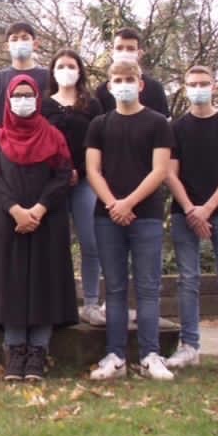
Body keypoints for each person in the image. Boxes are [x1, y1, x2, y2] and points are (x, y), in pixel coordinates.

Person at [0, 75, 77, 382]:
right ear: (8, 100)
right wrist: (16, 211)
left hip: (46, 220)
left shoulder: (54, 136)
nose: (22, 100)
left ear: (37, 99)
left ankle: (38, 351)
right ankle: (15, 351)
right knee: (12, 283)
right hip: (8, 221)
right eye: (17, 95)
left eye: (28, 95)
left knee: (43, 283)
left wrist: (38, 209)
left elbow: (63, 175)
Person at [86, 60, 175, 381]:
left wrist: (129, 203)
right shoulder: (99, 124)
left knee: (148, 288)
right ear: (110, 85)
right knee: (114, 288)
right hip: (107, 216)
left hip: (146, 216)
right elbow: (93, 170)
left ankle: (150, 355)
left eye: (129, 79)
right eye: (118, 79)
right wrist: (113, 204)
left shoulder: (158, 123)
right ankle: (116, 356)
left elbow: (160, 170)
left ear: (140, 84)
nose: (123, 84)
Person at [164, 65, 218, 374]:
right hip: (184, 213)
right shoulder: (176, 128)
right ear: (185, 87)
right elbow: (170, 174)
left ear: (213, 86)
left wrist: (207, 209)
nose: (198, 88)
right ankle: (190, 346)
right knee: (188, 281)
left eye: (203, 83)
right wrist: (191, 209)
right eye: (192, 84)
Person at [41, 49, 106, 327]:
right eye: (61, 66)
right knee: (57, 243)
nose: (66, 70)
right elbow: (40, 143)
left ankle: (91, 302)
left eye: (71, 65)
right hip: (52, 183)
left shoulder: (92, 105)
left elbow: (99, 142)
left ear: (80, 71)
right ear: (52, 71)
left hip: (84, 181)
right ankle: (58, 301)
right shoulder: (44, 105)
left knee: (91, 242)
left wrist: (79, 170)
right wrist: (59, 173)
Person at [0, 22, 49, 134]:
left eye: (25, 38)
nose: (19, 42)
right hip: (3, 142)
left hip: (40, 140)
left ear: (35, 44)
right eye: (14, 39)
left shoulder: (48, 77)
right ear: (6, 46)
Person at [95, 28, 170, 117]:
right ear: (112, 53)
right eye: (119, 48)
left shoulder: (155, 88)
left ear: (139, 54)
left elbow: (164, 122)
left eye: (130, 49)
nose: (124, 52)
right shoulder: (102, 91)